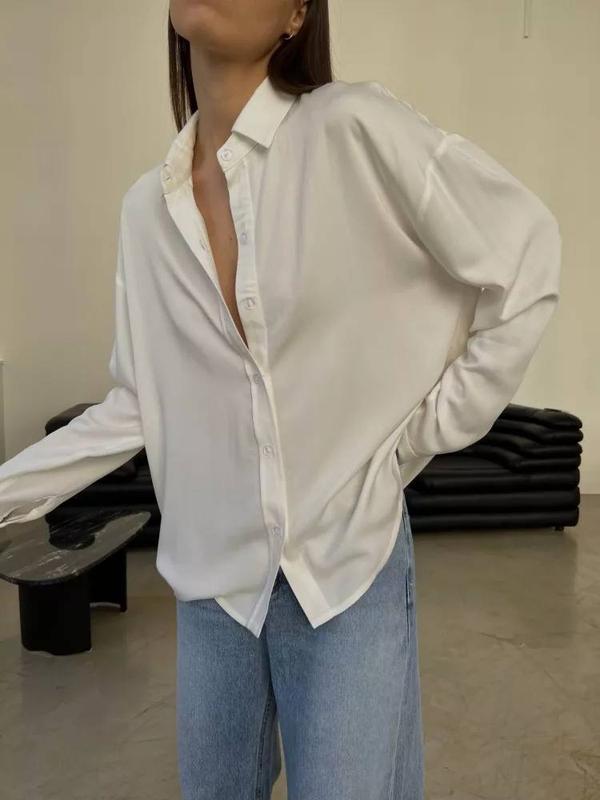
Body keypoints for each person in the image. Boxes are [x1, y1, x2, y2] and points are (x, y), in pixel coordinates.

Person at [0, 1, 562, 798]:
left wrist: (421, 436)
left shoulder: (351, 129)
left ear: (297, 14)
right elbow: (135, 405)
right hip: (214, 590)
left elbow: (526, 251)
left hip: (342, 573)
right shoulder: (146, 212)